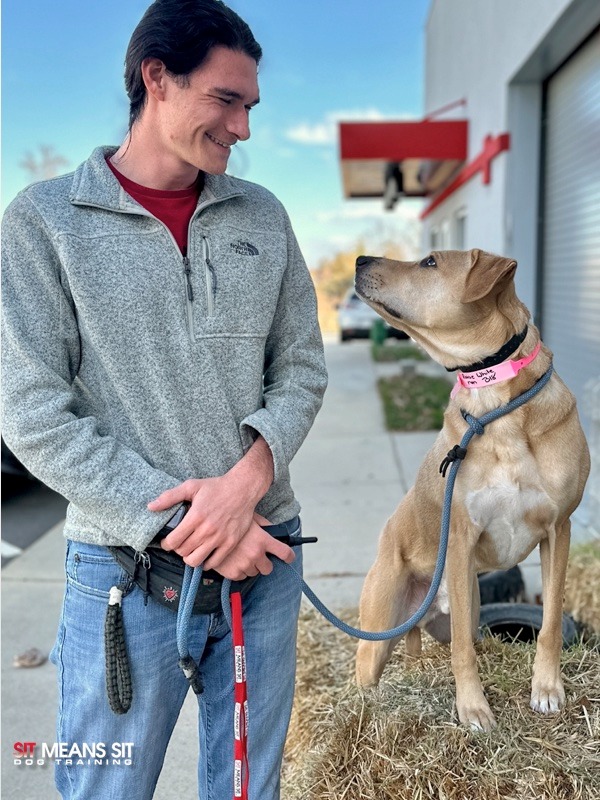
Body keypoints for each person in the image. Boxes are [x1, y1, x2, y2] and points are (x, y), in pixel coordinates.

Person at [1, 1, 327, 797]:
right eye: (226, 100)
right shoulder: (44, 223)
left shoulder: (263, 215)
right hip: (123, 575)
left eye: (251, 106)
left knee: (249, 787)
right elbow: (31, 412)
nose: (243, 128)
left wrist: (247, 483)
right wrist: (186, 525)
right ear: (156, 77)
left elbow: (304, 368)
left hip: (264, 562)